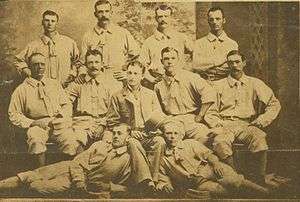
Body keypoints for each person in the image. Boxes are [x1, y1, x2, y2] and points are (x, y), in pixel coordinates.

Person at [0, 124, 137, 198]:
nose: (115, 136)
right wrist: (79, 181)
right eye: (114, 133)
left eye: (120, 134)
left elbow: (119, 185)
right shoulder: (100, 145)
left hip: (72, 182)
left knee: (36, 187)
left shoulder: (126, 159)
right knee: (28, 175)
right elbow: (78, 161)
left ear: (128, 137)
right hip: (68, 168)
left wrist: (90, 186)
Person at [207, 50, 281, 185]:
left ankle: (259, 178)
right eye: (230, 63)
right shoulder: (218, 85)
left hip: (246, 124)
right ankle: (237, 178)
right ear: (227, 65)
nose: (234, 65)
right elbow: (210, 111)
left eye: (237, 62)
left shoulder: (255, 83)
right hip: (224, 124)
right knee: (220, 142)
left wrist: (261, 121)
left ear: (244, 63)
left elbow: (274, 104)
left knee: (259, 136)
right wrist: (217, 125)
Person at [156, 118, 269, 198]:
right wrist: (166, 185)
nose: (172, 137)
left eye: (176, 133)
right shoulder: (163, 158)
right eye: (168, 133)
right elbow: (163, 176)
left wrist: (216, 164)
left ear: (181, 135)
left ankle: (266, 193)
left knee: (233, 180)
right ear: (164, 136)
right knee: (217, 190)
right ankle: (248, 196)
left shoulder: (189, 143)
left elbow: (209, 154)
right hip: (197, 182)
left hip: (209, 168)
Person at [8, 53, 83, 168]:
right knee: (35, 140)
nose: (40, 67)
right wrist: (33, 123)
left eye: (42, 64)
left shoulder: (54, 84)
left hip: (57, 123)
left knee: (71, 139)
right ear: (29, 67)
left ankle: (68, 172)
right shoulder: (22, 90)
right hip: (37, 126)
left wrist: (60, 117)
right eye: (36, 64)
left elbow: (66, 104)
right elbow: (14, 114)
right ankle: (40, 173)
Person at [106, 60, 166, 185]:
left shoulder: (151, 94)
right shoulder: (117, 96)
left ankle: (154, 180)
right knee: (133, 143)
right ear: (126, 75)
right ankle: (146, 181)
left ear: (142, 76)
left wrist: (154, 129)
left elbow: (159, 116)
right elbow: (112, 122)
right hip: (130, 135)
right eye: (129, 73)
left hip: (148, 134)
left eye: (135, 74)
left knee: (160, 141)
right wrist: (130, 132)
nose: (132, 77)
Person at [154, 47, 216, 144]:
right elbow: (158, 109)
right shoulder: (159, 85)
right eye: (166, 59)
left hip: (191, 119)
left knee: (206, 138)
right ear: (161, 61)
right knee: (170, 143)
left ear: (178, 60)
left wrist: (200, 115)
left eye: (173, 58)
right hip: (172, 120)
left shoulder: (191, 77)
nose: (170, 62)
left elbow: (209, 93)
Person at [79, 0, 140, 93]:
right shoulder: (88, 36)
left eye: (107, 11)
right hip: (95, 80)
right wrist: (82, 74)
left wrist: (127, 74)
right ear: (95, 14)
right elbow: (83, 62)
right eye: (100, 12)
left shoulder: (123, 33)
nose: (104, 15)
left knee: (118, 105)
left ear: (111, 13)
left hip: (117, 80)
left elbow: (137, 57)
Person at [15, 10, 80, 87]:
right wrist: (29, 72)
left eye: (53, 21)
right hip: (42, 89)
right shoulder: (33, 45)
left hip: (65, 87)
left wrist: (72, 74)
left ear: (57, 23)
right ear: (42, 22)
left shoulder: (69, 43)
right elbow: (18, 61)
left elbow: (78, 62)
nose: (49, 23)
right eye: (47, 20)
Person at [139, 4, 193, 89]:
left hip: (180, 83)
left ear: (171, 18)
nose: (163, 19)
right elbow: (141, 66)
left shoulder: (181, 38)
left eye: (166, 16)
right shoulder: (149, 42)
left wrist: (188, 71)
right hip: (159, 85)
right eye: (160, 16)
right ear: (156, 18)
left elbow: (196, 54)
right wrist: (151, 80)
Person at [66, 49, 112, 147]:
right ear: (86, 65)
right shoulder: (79, 83)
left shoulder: (109, 83)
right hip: (82, 123)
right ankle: (78, 162)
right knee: (76, 141)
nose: (94, 66)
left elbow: (114, 110)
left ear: (102, 64)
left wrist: (103, 125)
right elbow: (65, 101)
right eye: (90, 62)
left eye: (96, 62)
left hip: (104, 123)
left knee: (107, 143)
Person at [192, 7, 238, 82]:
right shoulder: (199, 43)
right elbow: (196, 65)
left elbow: (232, 67)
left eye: (218, 19)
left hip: (225, 84)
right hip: (204, 83)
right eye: (211, 19)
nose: (214, 22)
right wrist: (219, 61)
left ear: (224, 20)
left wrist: (206, 66)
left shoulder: (232, 44)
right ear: (208, 22)